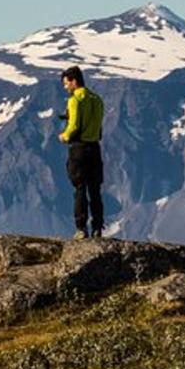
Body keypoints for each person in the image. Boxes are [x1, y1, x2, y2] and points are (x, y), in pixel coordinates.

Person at [58, 65, 105, 239]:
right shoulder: (97, 99)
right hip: (95, 147)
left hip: (79, 148)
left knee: (80, 188)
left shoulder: (75, 100)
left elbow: (75, 125)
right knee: (95, 190)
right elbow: (98, 125)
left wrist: (64, 136)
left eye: (66, 83)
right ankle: (98, 227)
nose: (65, 87)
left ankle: (81, 228)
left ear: (74, 81)